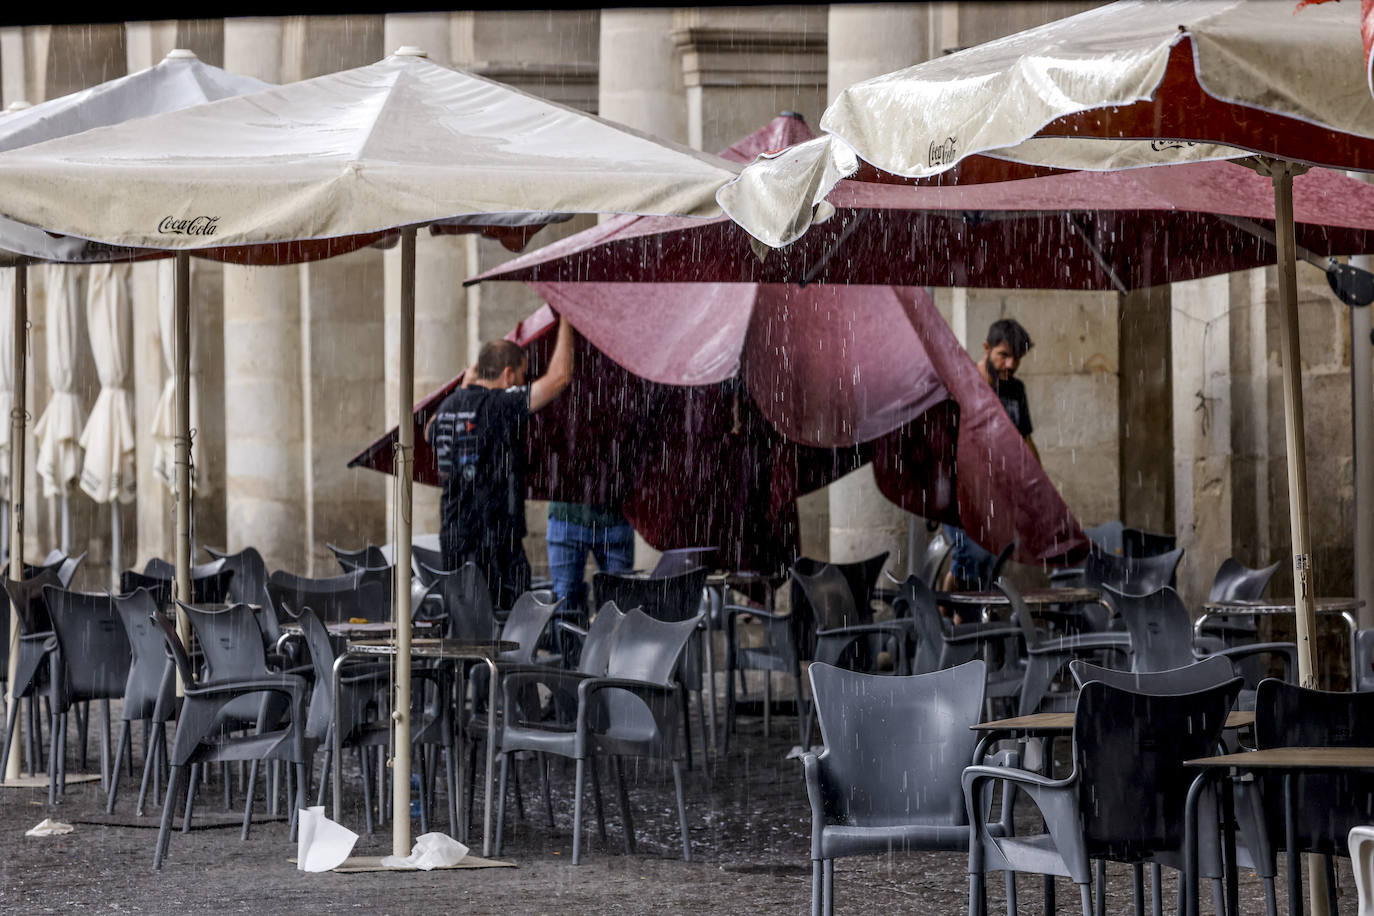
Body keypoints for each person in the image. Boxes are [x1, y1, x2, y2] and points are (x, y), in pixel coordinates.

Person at [426, 317, 574, 609]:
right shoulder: (500, 405)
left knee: (466, 624)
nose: (522, 383)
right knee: (510, 625)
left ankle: (472, 657)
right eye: (522, 375)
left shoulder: (445, 410)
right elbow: (560, 377)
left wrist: (464, 387)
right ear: (508, 375)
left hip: (454, 538)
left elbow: (430, 431)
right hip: (494, 543)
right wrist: (569, 319)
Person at [941, 317, 1038, 593]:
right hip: (958, 493)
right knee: (971, 556)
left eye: (1017, 358)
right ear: (986, 348)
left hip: (997, 494)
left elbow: (1025, 440)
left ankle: (948, 617)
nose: (1011, 365)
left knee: (988, 561)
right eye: (1004, 356)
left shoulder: (1016, 390)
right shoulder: (961, 386)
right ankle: (962, 622)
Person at [546, 500, 635, 618]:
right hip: (567, 514)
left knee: (620, 600)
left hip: (615, 518)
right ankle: (567, 634)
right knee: (564, 599)